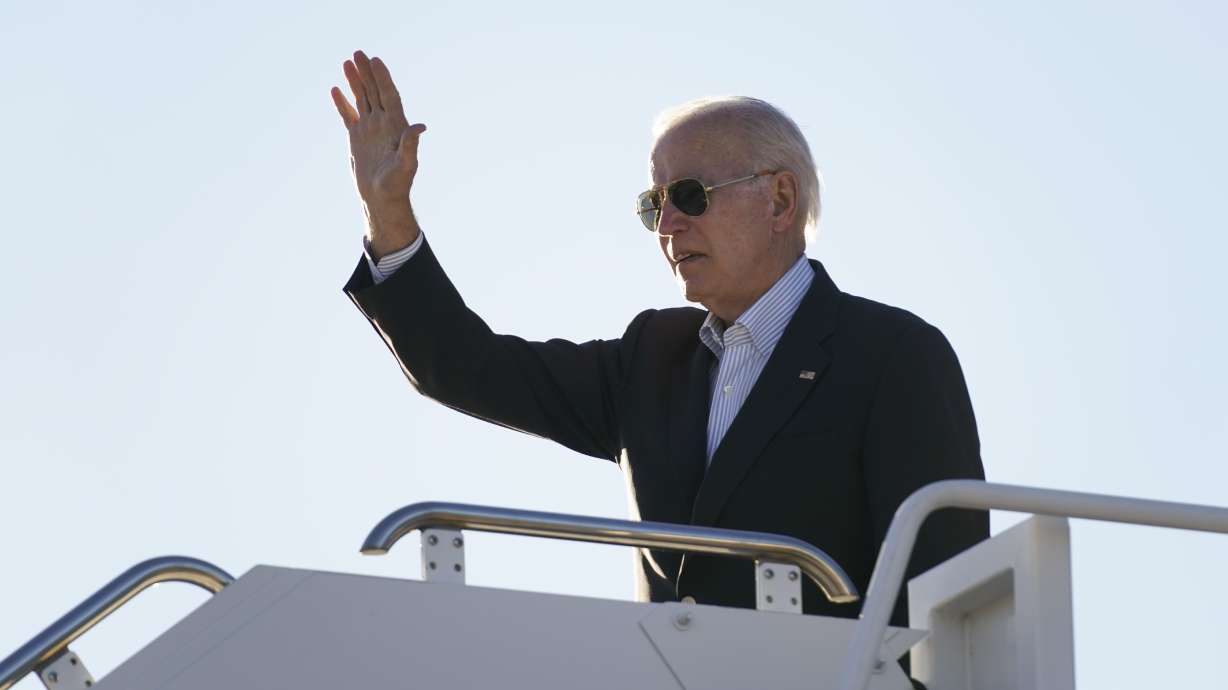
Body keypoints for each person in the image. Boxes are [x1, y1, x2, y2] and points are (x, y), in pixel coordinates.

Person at [332, 50, 988, 628]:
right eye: (654, 205)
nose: (668, 223)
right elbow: (464, 367)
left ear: (781, 201)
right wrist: (386, 213)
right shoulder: (652, 357)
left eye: (690, 195)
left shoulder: (892, 354)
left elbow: (942, 594)